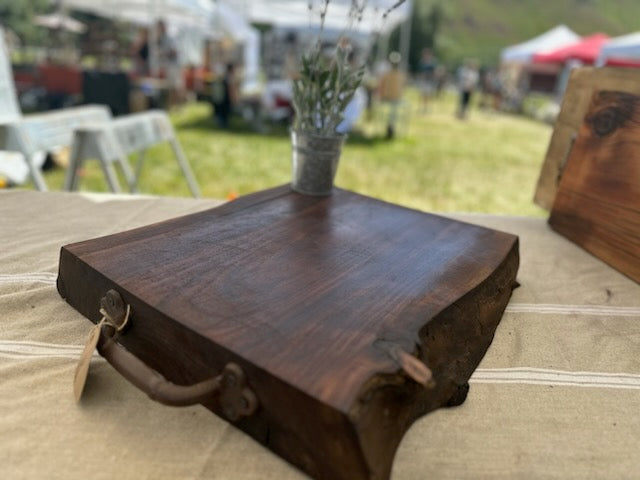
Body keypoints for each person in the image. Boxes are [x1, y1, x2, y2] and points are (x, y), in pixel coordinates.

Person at [377, 51, 405, 139]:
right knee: (392, 111)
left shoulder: (400, 74)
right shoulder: (388, 74)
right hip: (388, 98)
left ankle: (390, 128)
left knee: (393, 111)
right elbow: (381, 86)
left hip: (394, 98)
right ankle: (390, 127)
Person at [156, 20, 183, 108]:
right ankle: (171, 105)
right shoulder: (161, 38)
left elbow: (175, 51)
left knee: (175, 86)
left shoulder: (170, 38)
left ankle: (177, 105)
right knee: (170, 86)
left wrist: (164, 53)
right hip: (168, 66)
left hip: (174, 66)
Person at [211, 63, 238, 128]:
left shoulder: (224, 76)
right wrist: (233, 99)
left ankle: (221, 123)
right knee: (225, 112)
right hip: (226, 98)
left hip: (222, 98)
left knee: (222, 112)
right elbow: (231, 89)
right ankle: (223, 124)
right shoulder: (230, 77)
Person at [417, 48, 437, 113]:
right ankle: (422, 108)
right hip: (423, 80)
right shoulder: (422, 62)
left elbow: (434, 72)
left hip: (429, 81)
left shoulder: (432, 62)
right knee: (422, 95)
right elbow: (420, 72)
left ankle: (427, 108)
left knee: (428, 95)